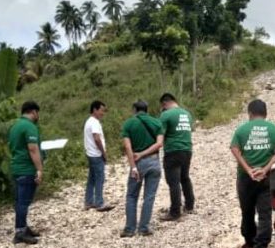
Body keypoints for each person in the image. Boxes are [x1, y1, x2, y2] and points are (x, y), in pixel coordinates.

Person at [230, 99, 275, 248]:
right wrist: (266, 168)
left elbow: (234, 149)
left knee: (247, 212)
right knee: (265, 215)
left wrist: (248, 170)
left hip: (246, 178)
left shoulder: (241, 130)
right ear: (265, 113)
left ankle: (249, 242)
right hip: (267, 177)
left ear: (250, 114)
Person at [120, 100, 164, 237]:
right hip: (154, 162)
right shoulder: (157, 123)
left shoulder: (128, 124)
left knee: (132, 196)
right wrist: (145, 153)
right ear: (147, 109)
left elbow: (127, 147)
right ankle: (144, 227)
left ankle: (129, 229)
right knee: (149, 196)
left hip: (137, 164)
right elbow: (159, 144)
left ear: (134, 110)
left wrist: (133, 166)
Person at [8, 101, 44, 244]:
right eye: (37, 113)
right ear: (33, 112)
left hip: (16, 167)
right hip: (26, 169)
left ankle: (23, 227)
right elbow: (33, 149)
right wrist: (39, 169)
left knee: (20, 201)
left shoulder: (15, 126)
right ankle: (20, 231)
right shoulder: (30, 127)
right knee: (24, 202)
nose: (38, 116)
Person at [158, 93, 196, 221]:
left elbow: (160, 135)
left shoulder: (165, 114)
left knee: (173, 182)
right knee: (184, 178)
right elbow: (190, 129)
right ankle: (190, 205)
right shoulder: (187, 114)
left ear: (164, 104)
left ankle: (175, 212)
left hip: (173, 151)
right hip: (187, 149)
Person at [83, 100, 114, 212]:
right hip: (96, 154)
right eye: (101, 110)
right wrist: (103, 153)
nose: (103, 113)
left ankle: (88, 202)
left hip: (90, 154)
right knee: (100, 179)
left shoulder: (88, 121)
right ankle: (99, 203)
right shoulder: (94, 122)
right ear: (95, 109)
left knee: (91, 178)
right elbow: (97, 138)